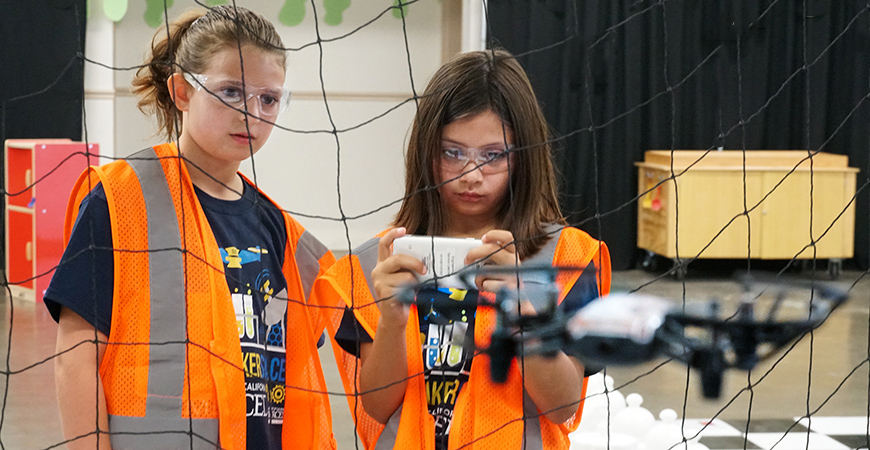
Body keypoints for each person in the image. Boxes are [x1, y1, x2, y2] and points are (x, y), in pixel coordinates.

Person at [46, 6, 338, 450]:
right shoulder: (121, 200)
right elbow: (76, 354)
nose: (251, 113)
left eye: (269, 98)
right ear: (182, 91)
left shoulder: (278, 229)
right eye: (230, 91)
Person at [312, 49, 611, 450]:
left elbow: (562, 408)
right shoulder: (379, 261)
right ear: (425, 151)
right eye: (452, 152)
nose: (472, 174)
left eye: (493, 156)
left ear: (524, 157)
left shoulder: (567, 257)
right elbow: (378, 407)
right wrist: (392, 323)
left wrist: (523, 312)